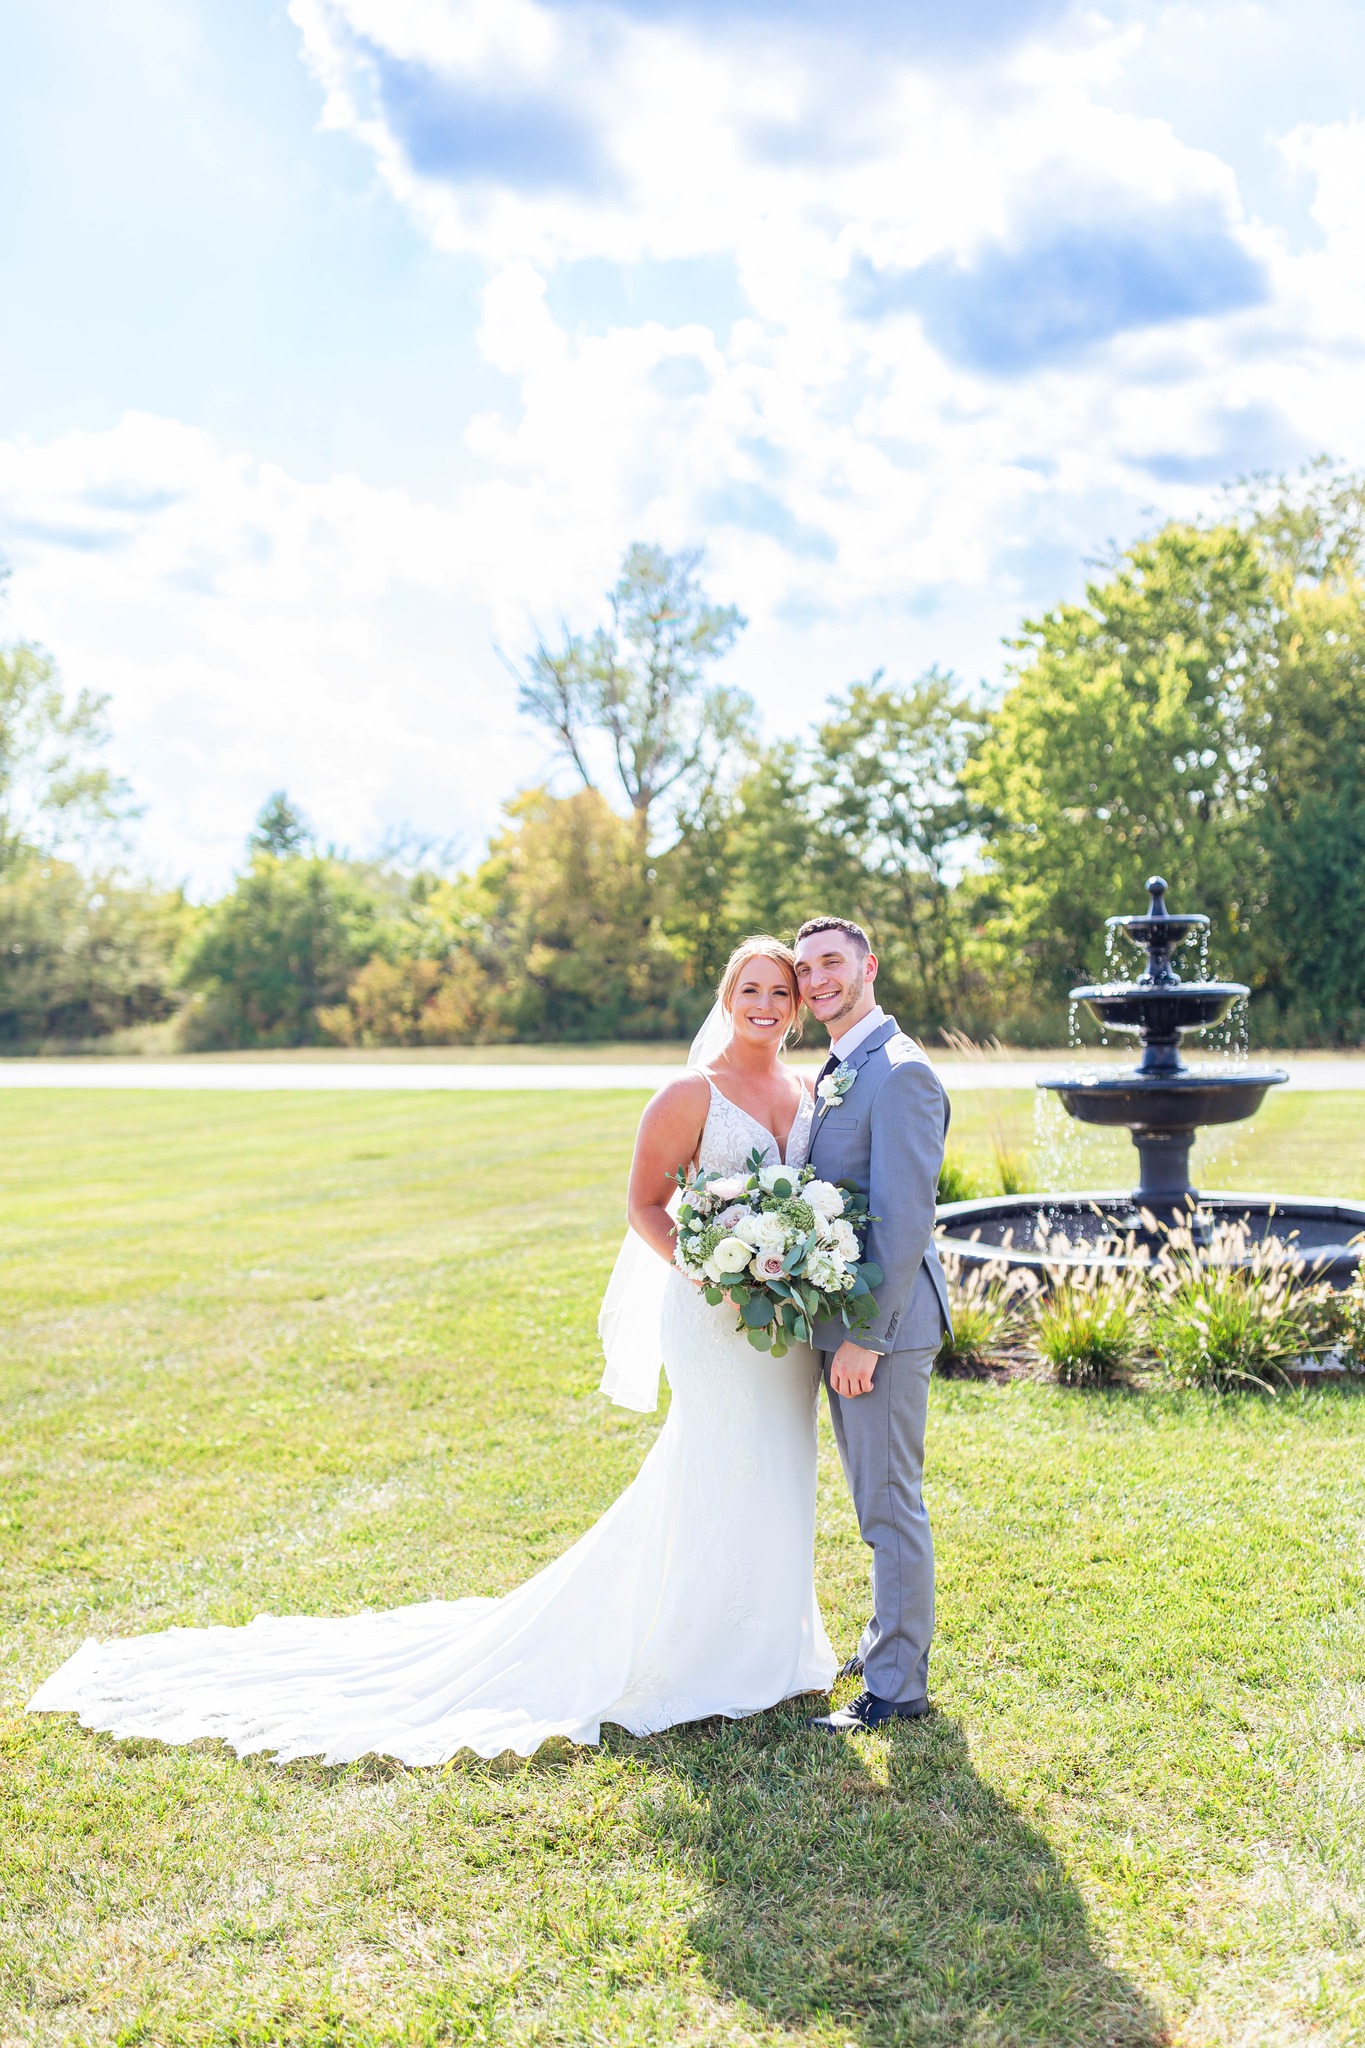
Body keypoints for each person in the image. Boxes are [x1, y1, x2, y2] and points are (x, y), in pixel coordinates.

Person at [27, 937, 835, 1765]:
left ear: (798, 1007)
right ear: (726, 995)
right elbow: (643, 1204)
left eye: (779, 991)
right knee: (717, 1461)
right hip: (710, 1316)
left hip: (785, 1326)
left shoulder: (809, 1093)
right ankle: (695, 1650)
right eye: (750, 988)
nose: (764, 1003)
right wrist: (710, 1275)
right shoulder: (687, 1093)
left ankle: (770, 1644)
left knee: (781, 1461)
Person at [793, 916, 951, 1735]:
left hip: (882, 1327)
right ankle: (880, 1637)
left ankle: (896, 1687)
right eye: (805, 967)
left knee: (889, 1505)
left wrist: (866, 1338)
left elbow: (901, 1221)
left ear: (867, 968)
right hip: (848, 1322)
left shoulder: (899, 1075)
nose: (816, 978)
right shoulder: (842, 1067)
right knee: (870, 1500)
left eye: (831, 963)